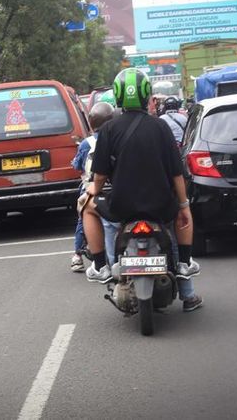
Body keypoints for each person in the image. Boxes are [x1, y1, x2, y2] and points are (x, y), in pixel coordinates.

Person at [81, 68, 203, 312]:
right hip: (161, 205)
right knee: (180, 218)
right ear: (147, 94)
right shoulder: (161, 127)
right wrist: (183, 205)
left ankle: (100, 265)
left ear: (117, 97)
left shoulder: (108, 130)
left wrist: (91, 190)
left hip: (121, 207)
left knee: (85, 208)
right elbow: (176, 172)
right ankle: (184, 264)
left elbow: (100, 174)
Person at [69, 101, 116, 272]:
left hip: (92, 186)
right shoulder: (115, 137)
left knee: (83, 216)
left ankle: (78, 255)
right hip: (114, 186)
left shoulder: (86, 143)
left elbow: (78, 165)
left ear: (91, 123)